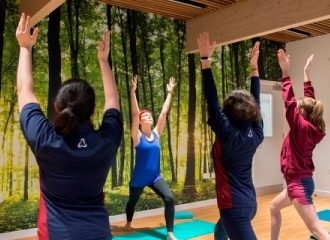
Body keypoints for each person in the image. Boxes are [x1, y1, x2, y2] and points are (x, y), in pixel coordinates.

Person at [16, 13, 122, 239]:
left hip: (56, 234)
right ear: (93, 110)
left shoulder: (45, 139)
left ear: (57, 107)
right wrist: (104, 61)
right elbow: (113, 101)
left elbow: (24, 90)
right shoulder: (106, 141)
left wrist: (25, 48)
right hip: (99, 233)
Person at [197, 32, 264, 240]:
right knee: (220, 230)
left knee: (226, 226)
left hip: (233, 207)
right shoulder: (257, 133)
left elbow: (211, 99)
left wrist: (205, 60)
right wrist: (254, 68)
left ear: (228, 112)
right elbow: (256, 103)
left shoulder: (228, 134)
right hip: (249, 203)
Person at [270, 52, 329, 240]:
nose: (296, 107)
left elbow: (289, 104)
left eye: (298, 108)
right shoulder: (310, 125)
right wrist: (306, 73)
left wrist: (286, 72)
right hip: (301, 182)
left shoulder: (301, 128)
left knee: (317, 230)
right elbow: (310, 101)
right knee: (274, 207)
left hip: (298, 186)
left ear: (302, 115)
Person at [125, 75, 177, 240]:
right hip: (139, 178)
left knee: (169, 198)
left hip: (155, 177)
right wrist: (133, 93)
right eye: (145, 116)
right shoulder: (137, 136)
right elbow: (134, 114)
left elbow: (163, 113)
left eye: (150, 116)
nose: (149, 117)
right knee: (132, 202)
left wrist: (170, 93)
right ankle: (128, 222)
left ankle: (169, 232)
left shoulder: (156, 134)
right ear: (140, 122)